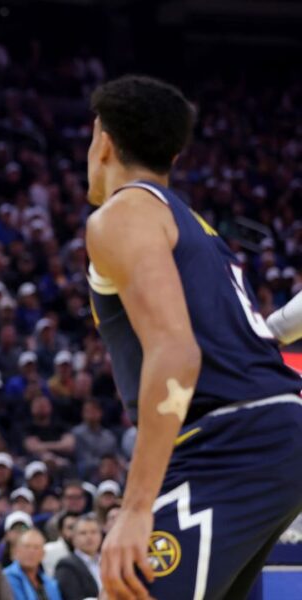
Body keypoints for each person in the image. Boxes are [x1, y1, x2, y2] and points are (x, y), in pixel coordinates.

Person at [85, 75, 302, 599]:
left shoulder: (123, 214)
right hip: (257, 437)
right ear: (175, 156)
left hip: (231, 442)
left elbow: (177, 353)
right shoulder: (192, 227)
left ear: (104, 143)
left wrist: (136, 507)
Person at [3, 530, 62, 600]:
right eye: (26, 546)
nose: (31, 552)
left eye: (36, 548)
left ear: (43, 554)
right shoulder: (5, 578)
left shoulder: (50, 583)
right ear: (17, 550)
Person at [54, 515, 101, 600]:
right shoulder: (66, 565)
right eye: (83, 533)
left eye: (94, 532)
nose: (89, 537)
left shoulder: (108, 561)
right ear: (73, 538)